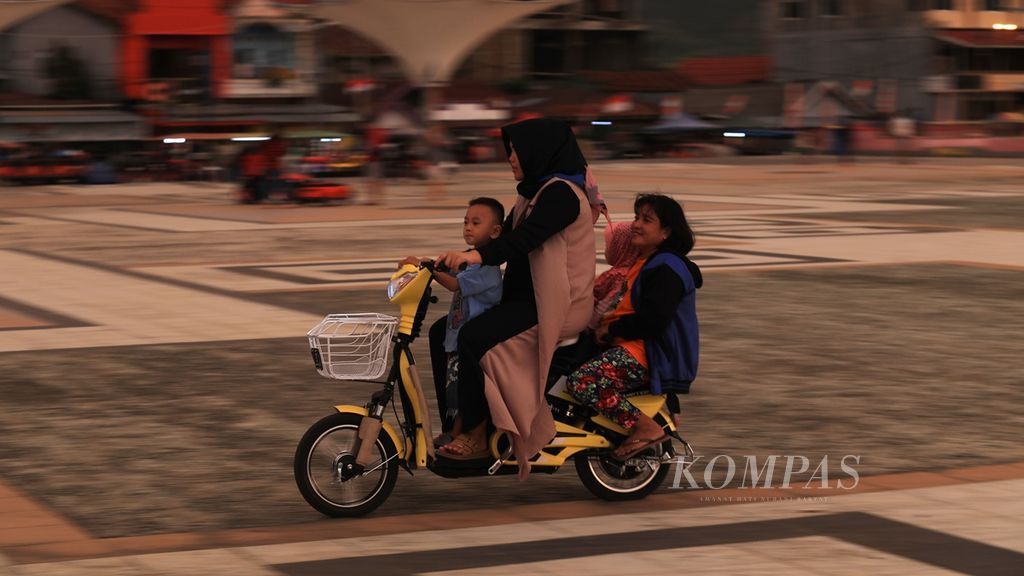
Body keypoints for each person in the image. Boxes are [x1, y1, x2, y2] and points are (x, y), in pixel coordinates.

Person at [436, 118, 595, 480]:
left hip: (557, 306)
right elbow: (498, 240)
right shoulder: (531, 193)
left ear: (539, 150)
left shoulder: (563, 195)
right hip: (526, 299)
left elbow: (523, 240)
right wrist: (436, 263)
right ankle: (459, 420)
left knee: (473, 336)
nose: (510, 157)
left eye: (515, 150)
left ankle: (478, 435)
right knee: (441, 331)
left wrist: (475, 258)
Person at [567, 193, 702, 461]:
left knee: (583, 381)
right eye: (637, 217)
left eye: (646, 220)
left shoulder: (667, 267)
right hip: (632, 345)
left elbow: (654, 319)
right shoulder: (645, 262)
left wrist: (613, 329)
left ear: (665, 232)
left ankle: (646, 428)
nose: (636, 224)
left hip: (648, 352)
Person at [405, 198, 504, 445]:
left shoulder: (488, 268)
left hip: (475, 343)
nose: (468, 227)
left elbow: (453, 283)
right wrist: (422, 262)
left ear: (495, 231)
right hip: (458, 338)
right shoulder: (470, 260)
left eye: (476, 223)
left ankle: (459, 432)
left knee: (461, 389)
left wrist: (428, 270)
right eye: (466, 222)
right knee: (454, 389)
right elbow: (451, 271)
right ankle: (454, 430)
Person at [590, 219, 641, 331]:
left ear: (620, 248)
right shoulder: (637, 271)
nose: (606, 250)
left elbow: (601, 308)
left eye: (609, 245)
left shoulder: (617, 276)